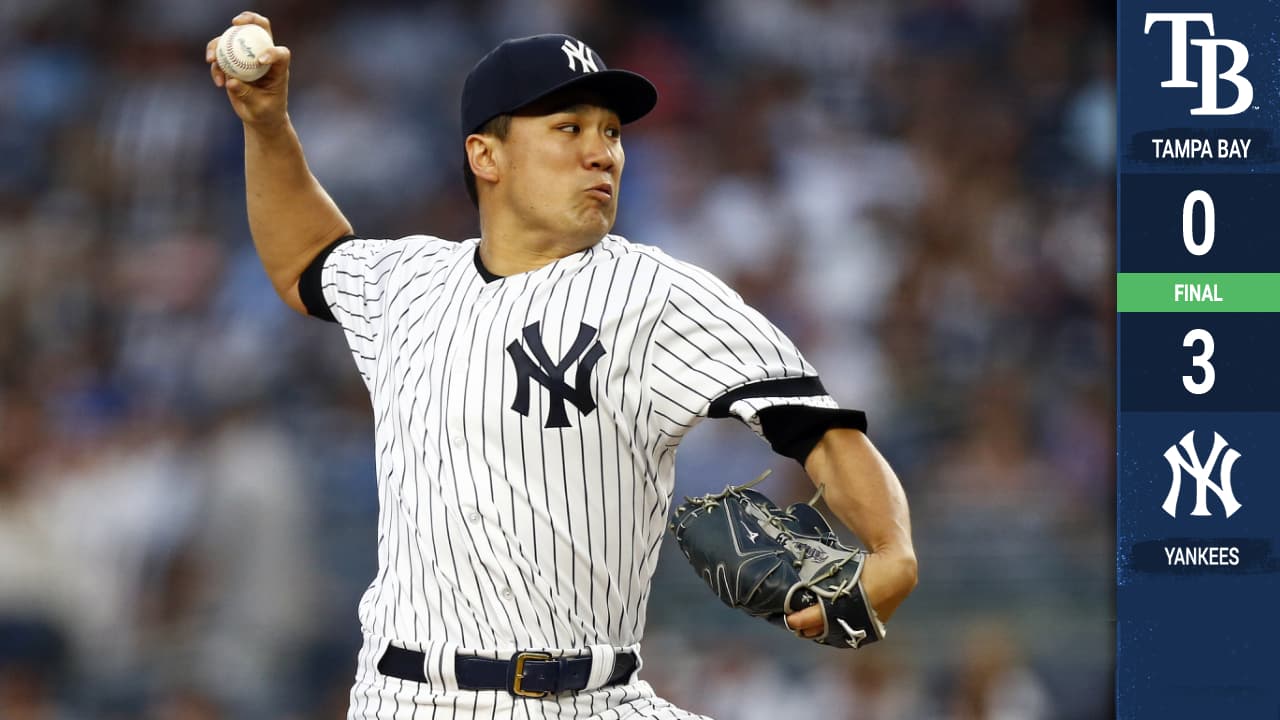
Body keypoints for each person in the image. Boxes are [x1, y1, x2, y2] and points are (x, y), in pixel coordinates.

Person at [206, 11, 918, 718]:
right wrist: (266, 126)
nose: (604, 152)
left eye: (611, 131)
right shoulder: (408, 283)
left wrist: (892, 551)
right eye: (569, 128)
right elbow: (306, 259)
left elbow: (816, 427)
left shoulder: (658, 293)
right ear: (487, 156)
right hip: (411, 698)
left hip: (598, 698)